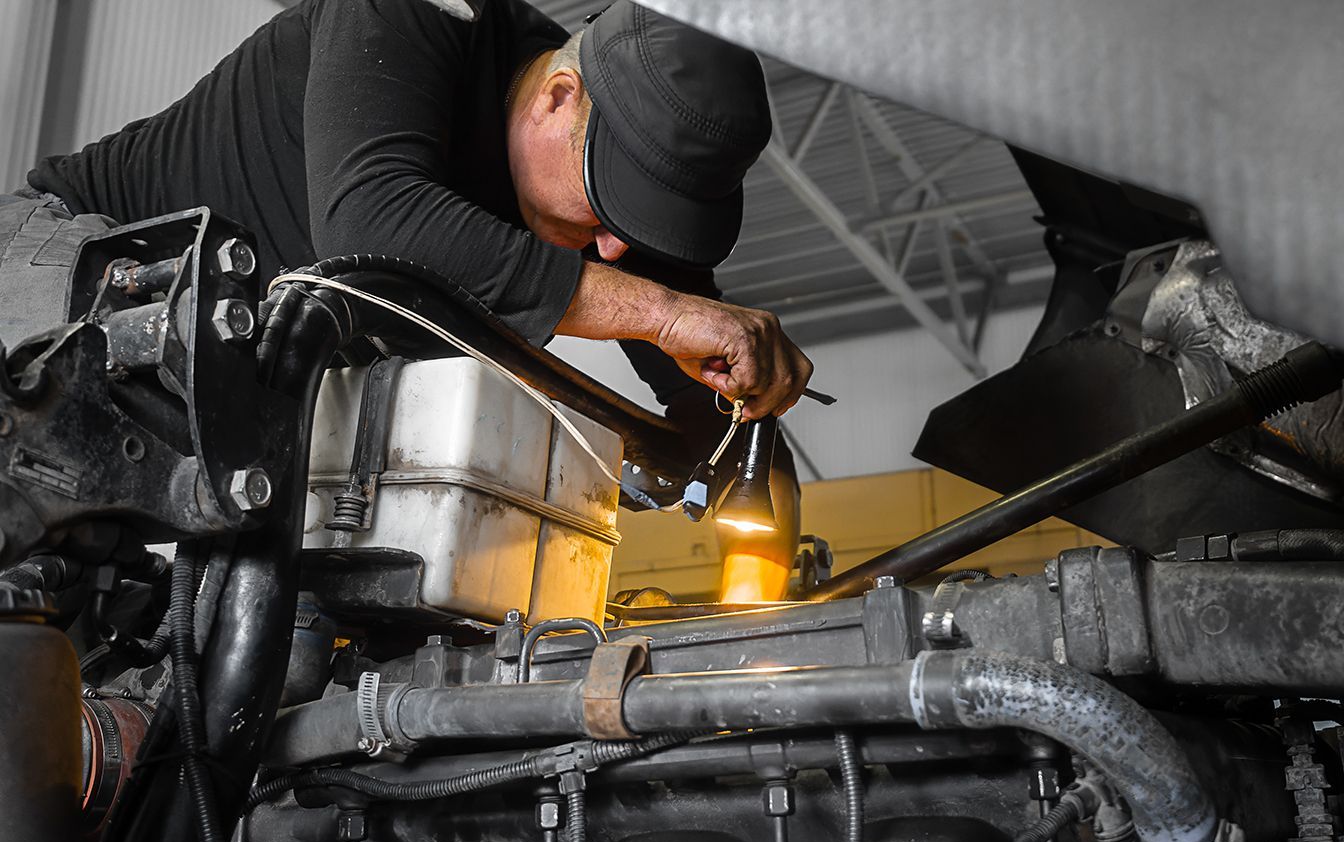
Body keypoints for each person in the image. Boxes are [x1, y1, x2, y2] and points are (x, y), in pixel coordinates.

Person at [8, 0, 811, 600]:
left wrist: (758, 472)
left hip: (217, 384)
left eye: (636, 232)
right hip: (77, 280)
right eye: (604, 207)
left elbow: (713, 401)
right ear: (558, 96)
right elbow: (374, 227)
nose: (611, 250)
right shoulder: (422, 14)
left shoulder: (602, 215)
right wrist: (664, 315)